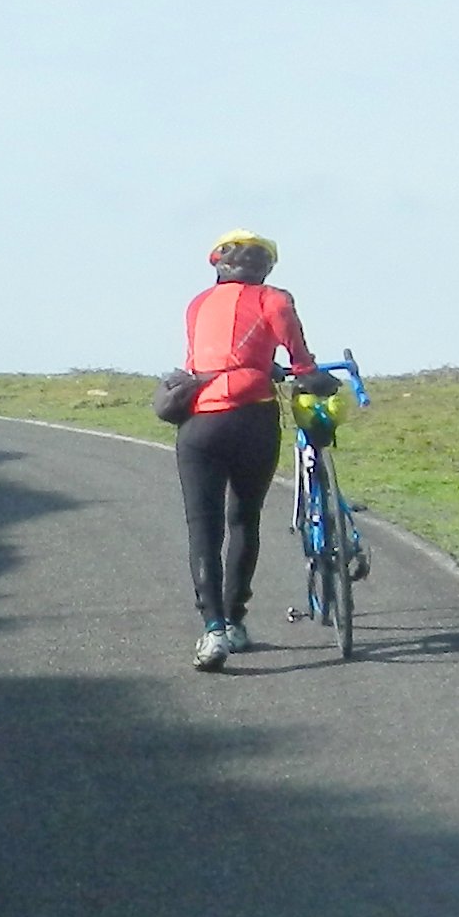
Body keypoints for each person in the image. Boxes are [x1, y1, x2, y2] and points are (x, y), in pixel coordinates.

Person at [174, 232, 316, 668]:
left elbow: (201, 359)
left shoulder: (197, 304)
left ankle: (212, 630)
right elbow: (300, 360)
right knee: (244, 520)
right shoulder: (274, 299)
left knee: (203, 527)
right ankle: (236, 621)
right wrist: (304, 373)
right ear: (265, 268)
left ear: (219, 266)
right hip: (253, 419)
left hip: (200, 421)